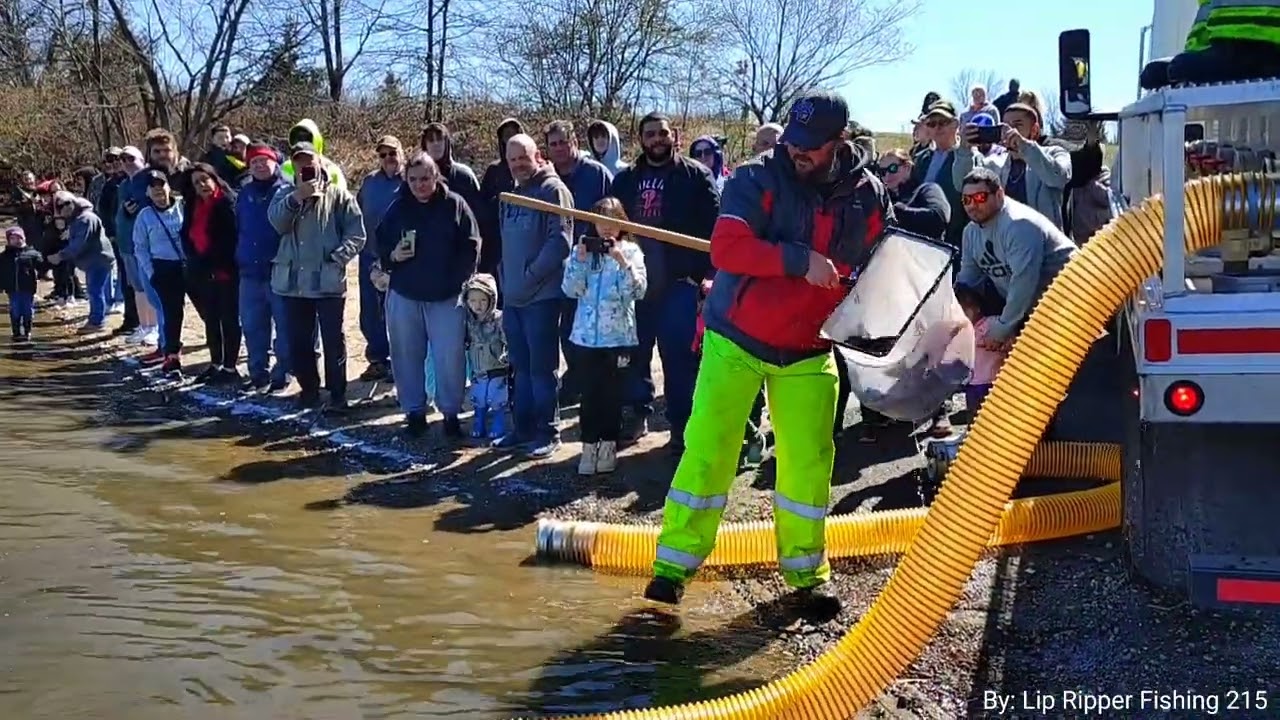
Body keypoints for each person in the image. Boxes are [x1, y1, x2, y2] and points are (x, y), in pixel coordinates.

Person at [645, 92, 894, 613]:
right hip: (735, 339)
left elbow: (881, 257)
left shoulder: (866, 194)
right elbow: (727, 249)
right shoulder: (755, 177)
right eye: (792, 143)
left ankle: (806, 576)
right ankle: (671, 569)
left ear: (839, 142)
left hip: (809, 348)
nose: (797, 153)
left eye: (810, 147)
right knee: (709, 453)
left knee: (808, 463)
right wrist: (799, 260)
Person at [611, 112, 720, 451]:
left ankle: (680, 427)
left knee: (678, 360)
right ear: (640, 139)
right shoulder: (626, 179)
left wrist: (706, 275)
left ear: (674, 136)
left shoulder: (695, 176)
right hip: (636, 282)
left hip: (678, 282)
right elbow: (609, 223)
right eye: (649, 134)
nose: (656, 139)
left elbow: (715, 229)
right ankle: (637, 414)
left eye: (662, 133)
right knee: (635, 353)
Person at [376, 152, 478, 439]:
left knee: (450, 358)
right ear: (406, 180)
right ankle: (414, 413)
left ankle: (450, 414)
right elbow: (380, 245)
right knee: (406, 356)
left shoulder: (455, 205)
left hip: (446, 296)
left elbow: (471, 247)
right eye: (413, 179)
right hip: (405, 294)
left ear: (436, 177)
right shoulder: (398, 208)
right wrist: (392, 256)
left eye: (425, 178)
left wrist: (458, 281)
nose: (420, 185)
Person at [268, 141, 366, 410]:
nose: (305, 165)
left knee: (334, 342)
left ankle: (337, 394)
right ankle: (309, 390)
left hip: (328, 283)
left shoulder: (339, 195)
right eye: (299, 161)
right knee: (300, 341)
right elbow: (276, 223)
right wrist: (296, 197)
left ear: (320, 162)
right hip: (293, 284)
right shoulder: (285, 194)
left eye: (309, 160)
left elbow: (357, 234)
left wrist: (337, 258)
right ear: (293, 165)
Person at [495, 133, 574, 458]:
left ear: (537, 155)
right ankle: (523, 428)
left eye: (522, 158)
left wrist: (529, 278)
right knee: (520, 368)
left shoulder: (553, 190)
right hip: (513, 299)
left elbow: (561, 242)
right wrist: (506, 279)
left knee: (542, 369)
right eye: (512, 160)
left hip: (541, 297)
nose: (517, 165)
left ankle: (548, 432)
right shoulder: (512, 194)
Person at [562, 197, 647, 476]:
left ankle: (608, 445)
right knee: (589, 395)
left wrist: (623, 264)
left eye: (613, 221)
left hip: (618, 338)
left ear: (622, 223)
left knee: (611, 396)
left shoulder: (631, 251)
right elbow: (570, 290)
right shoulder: (584, 250)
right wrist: (579, 261)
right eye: (601, 221)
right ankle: (588, 446)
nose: (607, 228)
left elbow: (636, 292)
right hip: (586, 338)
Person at [954, 167, 1077, 349]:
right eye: (966, 200)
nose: (972, 205)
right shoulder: (970, 233)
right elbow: (967, 281)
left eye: (980, 197)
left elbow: (1023, 282)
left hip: (1073, 303)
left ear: (999, 194)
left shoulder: (1019, 224)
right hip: (1035, 311)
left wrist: (1002, 328)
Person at [544, 119, 614, 407]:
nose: (559, 148)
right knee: (566, 328)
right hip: (558, 264)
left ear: (574, 142)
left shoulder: (596, 174)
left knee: (591, 326)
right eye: (553, 144)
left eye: (564, 142)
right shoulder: (546, 178)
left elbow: (614, 215)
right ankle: (574, 380)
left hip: (593, 261)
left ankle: (595, 385)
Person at [236, 142, 295, 392]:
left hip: (279, 270)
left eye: (264, 160)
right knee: (252, 326)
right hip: (249, 271)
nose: (260, 165)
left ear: (275, 162)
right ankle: (257, 373)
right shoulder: (244, 193)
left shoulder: (287, 191)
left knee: (284, 327)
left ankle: (282, 373)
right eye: (254, 162)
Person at [957, 102, 1072, 231]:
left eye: (1017, 125)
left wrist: (1025, 146)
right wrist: (963, 151)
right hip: (1006, 245)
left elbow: (1059, 177)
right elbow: (962, 184)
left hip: (1045, 245)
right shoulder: (995, 163)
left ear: (1034, 130)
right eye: (1006, 126)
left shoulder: (1055, 153)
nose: (1010, 131)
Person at [183, 163, 242, 385]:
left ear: (214, 179)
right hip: (202, 271)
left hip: (225, 270)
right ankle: (215, 363)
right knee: (210, 319)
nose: (202, 185)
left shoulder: (226, 203)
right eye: (197, 182)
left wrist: (210, 261)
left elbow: (230, 239)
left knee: (228, 319)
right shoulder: (193, 204)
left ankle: (230, 367)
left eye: (205, 179)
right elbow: (186, 234)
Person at [355, 135, 405, 384]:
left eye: (392, 153)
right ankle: (377, 360)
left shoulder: (410, 180)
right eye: (383, 155)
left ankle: (400, 362)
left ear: (401, 154)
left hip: (398, 258)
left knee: (397, 313)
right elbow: (357, 211)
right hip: (369, 255)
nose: (388, 159)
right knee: (370, 312)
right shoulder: (369, 182)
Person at [131, 170, 187, 376]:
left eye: (161, 186)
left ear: (168, 186)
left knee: (206, 307)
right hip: (163, 267)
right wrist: (151, 272)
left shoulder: (183, 207)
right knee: (172, 312)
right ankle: (172, 355)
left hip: (188, 265)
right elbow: (140, 247)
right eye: (153, 188)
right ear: (147, 192)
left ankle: (217, 350)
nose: (158, 191)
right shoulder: (145, 216)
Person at [115, 146, 162, 354]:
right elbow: (119, 212)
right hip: (126, 242)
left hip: (147, 244)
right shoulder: (124, 184)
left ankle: (154, 328)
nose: (126, 162)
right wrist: (124, 212)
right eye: (122, 159)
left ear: (142, 159)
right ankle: (144, 327)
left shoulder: (150, 177)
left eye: (130, 158)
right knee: (137, 287)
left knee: (150, 286)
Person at [49, 190, 115, 334]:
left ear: (73, 202)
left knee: (95, 292)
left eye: (66, 203)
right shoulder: (77, 219)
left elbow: (78, 245)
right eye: (59, 206)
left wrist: (60, 256)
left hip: (99, 260)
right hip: (96, 260)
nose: (64, 208)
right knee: (97, 291)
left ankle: (97, 322)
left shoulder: (85, 219)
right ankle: (96, 318)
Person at [910, 101, 967, 248]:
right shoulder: (921, 159)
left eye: (943, 122)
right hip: (922, 238)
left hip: (956, 240)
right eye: (931, 124)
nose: (937, 128)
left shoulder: (967, 157)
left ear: (956, 124)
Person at [461, 273, 509, 439]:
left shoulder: (499, 319)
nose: (478, 305)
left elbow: (507, 339)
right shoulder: (468, 320)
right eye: (473, 301)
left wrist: (507, 356)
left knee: (497, 397)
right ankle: (479, 421)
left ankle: (498, 422)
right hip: (478, 368)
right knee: (478, 396)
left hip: (497, 366)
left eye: (482, 300)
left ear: (491, 299)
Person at [478, 118, 526, 279]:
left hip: (524, 243)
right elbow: (481, 209)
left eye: (514, 134)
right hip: (496, 244)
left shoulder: (532, 171)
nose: (510, 138)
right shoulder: (494, 171)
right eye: (506, 135)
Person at [954, 284, 1004, 414]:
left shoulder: (992, 324)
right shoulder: (960, 332)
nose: (961, 315)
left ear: (976, 308)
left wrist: (998, 341)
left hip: (994, 381)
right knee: (975, 417)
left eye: (965, 309)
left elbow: (1011, 341)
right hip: (972, 384)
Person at [280, 119, 348, 191]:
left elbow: (341, 198)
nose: (302, 143)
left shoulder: (333, 171)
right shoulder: (285, 167)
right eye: (298, 138)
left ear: (316, 140)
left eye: (306, 138)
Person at [1, 227, 41, 341]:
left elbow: (41, 265)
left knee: (27, 310)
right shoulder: (4, 256)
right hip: (12, 289)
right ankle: (16, 332)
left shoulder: (32, 254)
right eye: (13, 238)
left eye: (19, 238)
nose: (17, 240)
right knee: (15, 310)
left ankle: (27, 331)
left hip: (27, 288)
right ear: (9, 240)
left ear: (23, 239)